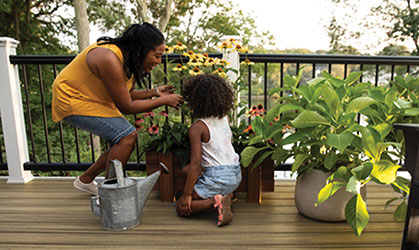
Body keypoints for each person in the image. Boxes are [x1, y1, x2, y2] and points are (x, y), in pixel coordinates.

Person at [51, 23, 183, 196]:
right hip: (71, 98)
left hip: (93, 100)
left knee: (122, 139)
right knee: (127, 136)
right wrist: (163, 101)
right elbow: (126, 106)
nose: (159, 62)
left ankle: (86, 180)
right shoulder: (109, 58)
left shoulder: (128, 61)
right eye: (157, 56)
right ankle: (110, 194)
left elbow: (126, 94)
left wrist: (155, 92)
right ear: (141, 50)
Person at [176, 73, 242, 227]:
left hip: (217, 177)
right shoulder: (225, 118)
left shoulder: (197, 127)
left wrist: (186, 195)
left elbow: (196, 164)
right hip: (235, 174)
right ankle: (226, 195)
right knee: (185, 170)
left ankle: (215, 200)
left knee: (181, 206)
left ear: (193, 100)